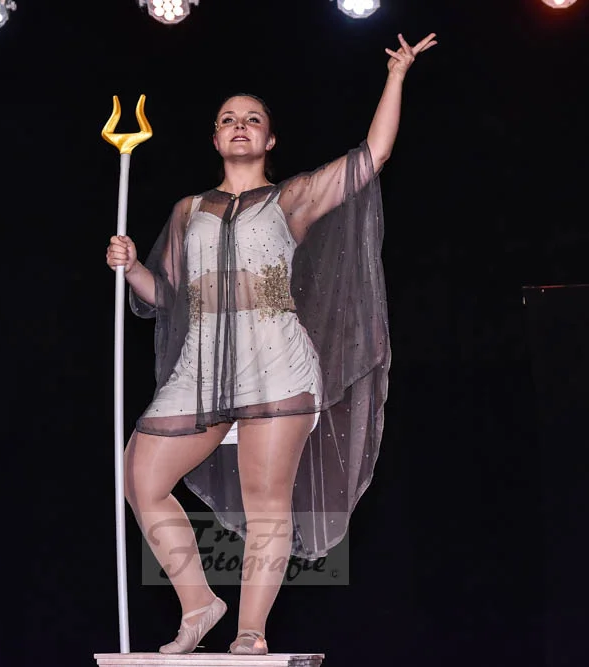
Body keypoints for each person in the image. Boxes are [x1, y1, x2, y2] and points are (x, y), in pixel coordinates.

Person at [105, 32, 436, 655]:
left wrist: (396, 76)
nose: (240, 126)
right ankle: (199, 605)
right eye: (228, 119)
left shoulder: (291, 199)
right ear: (214, 138)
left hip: (277, 362)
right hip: (201, 365)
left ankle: (251, 632)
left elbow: (372, 155)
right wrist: (130, 267)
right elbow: (165, 297)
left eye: (252, 119)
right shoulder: (187, 210)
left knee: (266, 501)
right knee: (142, 478)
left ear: (270, 139)